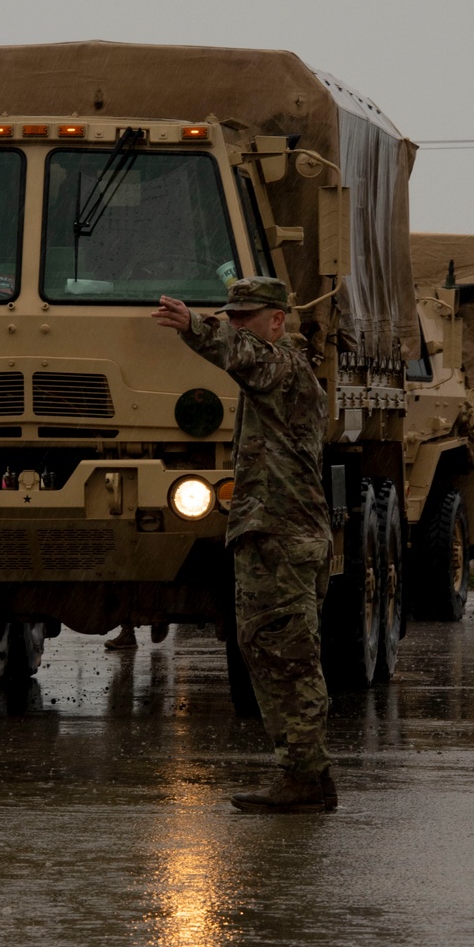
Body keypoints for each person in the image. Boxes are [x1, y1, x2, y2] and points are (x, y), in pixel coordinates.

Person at [152, 277, 336, 813]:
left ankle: (302, 775)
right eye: (229, 315)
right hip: (273, 534)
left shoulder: (285, 369)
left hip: (281, 536)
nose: (235, 325)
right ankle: (311, 772)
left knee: (285, 655)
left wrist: (196, 325)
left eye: (246, 317)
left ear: (277, 321)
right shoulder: (272, 378)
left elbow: (241, 354)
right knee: (276, 650)